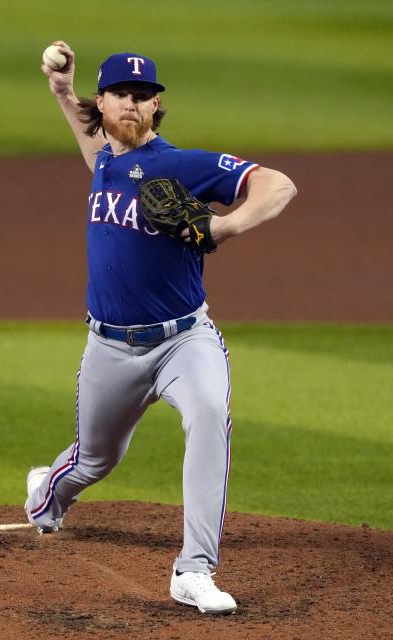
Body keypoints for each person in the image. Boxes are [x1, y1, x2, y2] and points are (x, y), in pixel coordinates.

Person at [25, 41, 297, 615]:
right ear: (102, 103)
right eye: (121, 94)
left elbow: (278, 185)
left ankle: (194, 569)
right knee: (94, 460)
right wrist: (62, 94)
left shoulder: (181, 166)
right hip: (109, 348)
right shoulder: (105, 160)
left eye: (143, 96)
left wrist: (225, 226)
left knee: (209, 415)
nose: (132, 103)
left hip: (184, 340)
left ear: (156, 107)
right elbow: (91, 142)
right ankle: (45, 496)